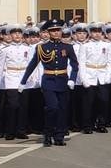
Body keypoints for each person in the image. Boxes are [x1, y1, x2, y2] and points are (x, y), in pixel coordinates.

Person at [20, 18, 76, 146]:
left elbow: (75, 65)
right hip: (49, 81)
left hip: (63, 81)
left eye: (58, 30)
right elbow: (32, 65)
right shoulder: (42, 47)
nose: (56, 33)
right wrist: (23, 81)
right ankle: (48, 133)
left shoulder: (68, 47)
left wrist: (72, 78)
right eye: (53, 31)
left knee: (62, 109)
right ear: (49, 33)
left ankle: (59, 136)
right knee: (52, 107)